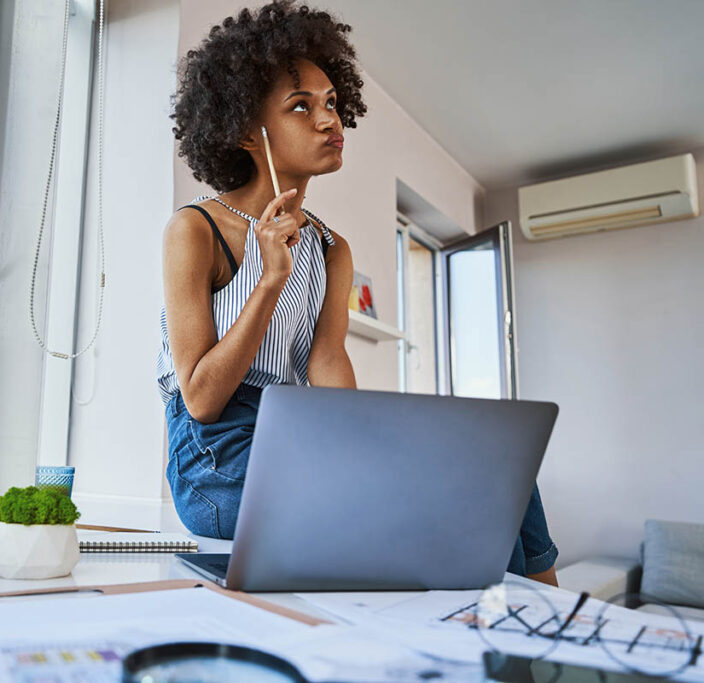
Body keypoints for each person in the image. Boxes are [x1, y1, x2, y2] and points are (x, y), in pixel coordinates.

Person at [155, 0, 559, 585]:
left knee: (496, 471)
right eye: (301, 107)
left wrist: (382, 442)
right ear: (246, 129)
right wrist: (269, 280)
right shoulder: (195, 230)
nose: (329, 122)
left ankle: (549, 631)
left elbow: (327, 363)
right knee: (434, 502)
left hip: (300, 434)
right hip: (217, 460)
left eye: (332, 103)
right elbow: (200, 400)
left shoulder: (329, 249)